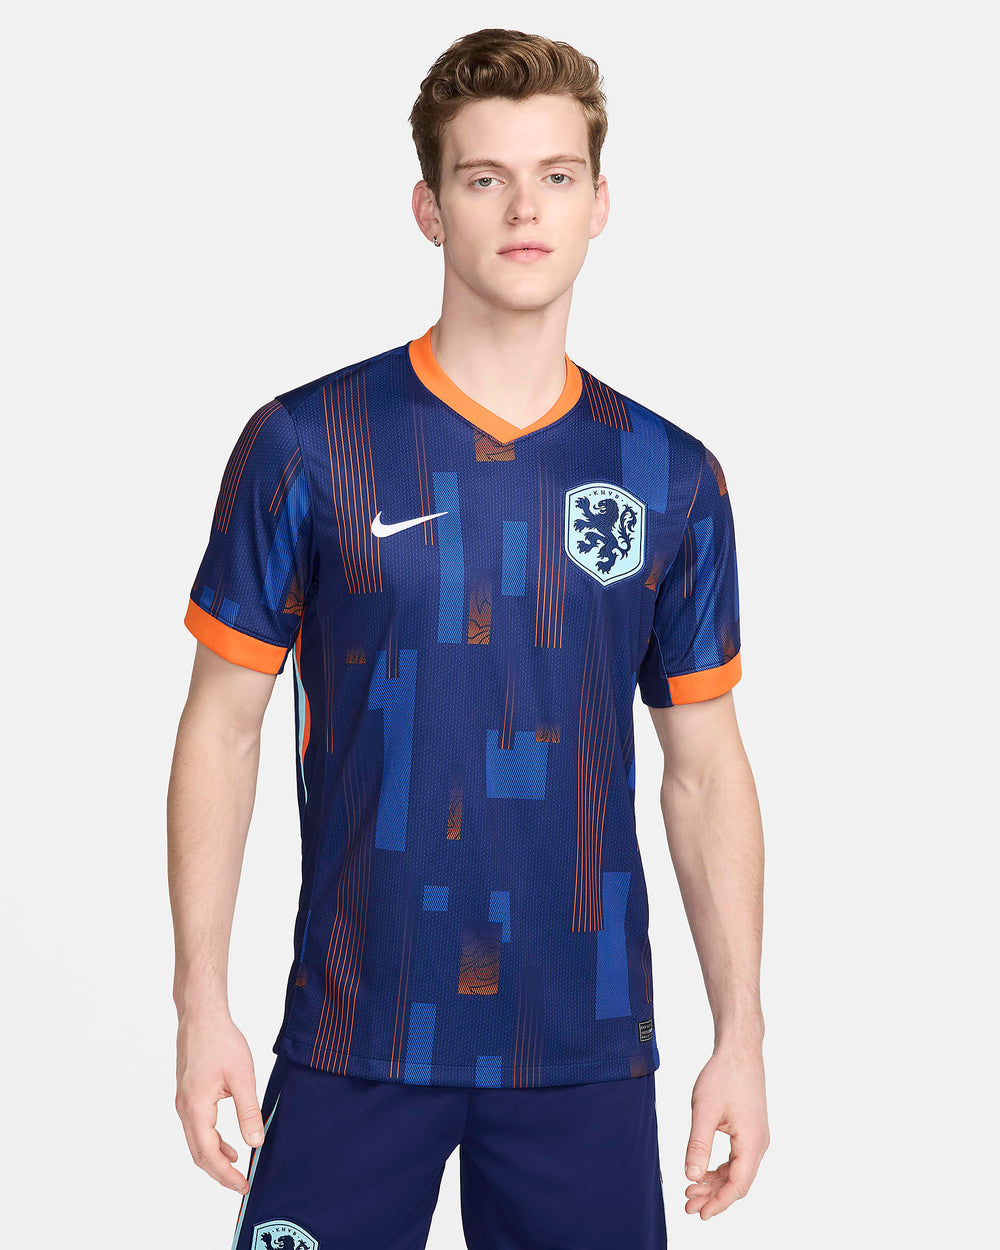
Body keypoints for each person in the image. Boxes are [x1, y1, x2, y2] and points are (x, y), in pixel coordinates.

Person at [167, 26, 768, 1250]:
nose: (523, 209)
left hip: (583, 1043)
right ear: (430, 209)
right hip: (356, 1025)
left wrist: (741, 1035)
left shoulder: (668, 476)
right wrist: (200, 1006)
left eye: (556, 175)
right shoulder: (308, 446)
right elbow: (220, 730)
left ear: (600, 204)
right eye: (485, 177)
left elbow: (704, 768)